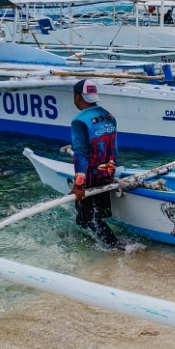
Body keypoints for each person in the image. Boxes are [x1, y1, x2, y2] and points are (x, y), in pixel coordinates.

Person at [69, 79, 120, 248]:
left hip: (90, 177)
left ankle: (115, 248)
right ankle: (112, 243)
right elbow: (114, 148)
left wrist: (78, 185)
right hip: (107, 174)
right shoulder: (109, 116)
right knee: (98, 215)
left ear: (77, 97)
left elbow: (81, 155)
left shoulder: (79, 121)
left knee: (87, 220)